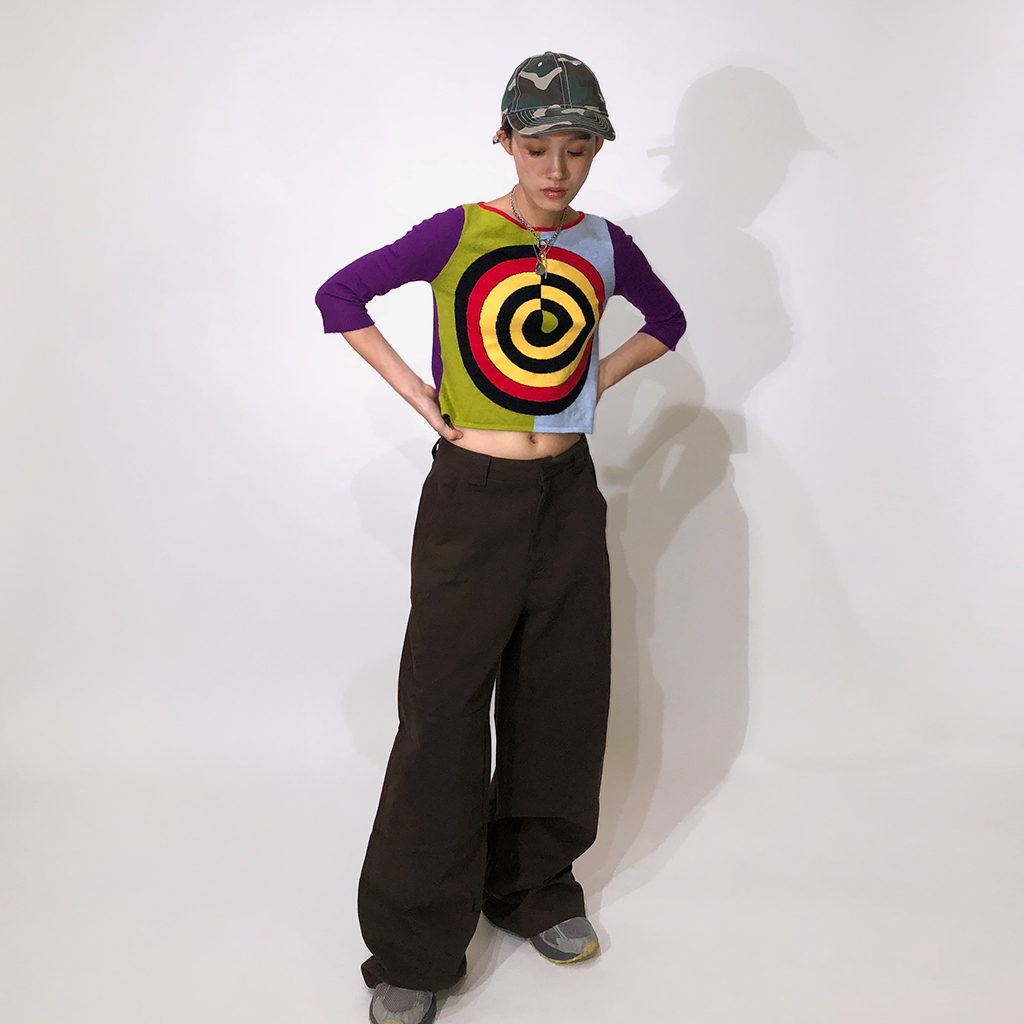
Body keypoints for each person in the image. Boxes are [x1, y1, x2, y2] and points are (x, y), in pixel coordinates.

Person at [315, 51, 685, 1024]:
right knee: (441, 716)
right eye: (537, 147)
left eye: (578, 149)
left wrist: (594, 380)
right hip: (472, 498)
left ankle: (533, 890)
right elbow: (340, 296)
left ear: (597, 150)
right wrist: (418, 393)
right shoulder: (460, 233)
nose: (556, 170)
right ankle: (413, 946)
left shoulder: (604, 244)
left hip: (568, 494)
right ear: (505, 141)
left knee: (560, 697)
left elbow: (668, 320)